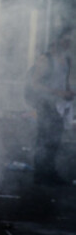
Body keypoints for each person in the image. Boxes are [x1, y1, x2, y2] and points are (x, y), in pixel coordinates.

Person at [28, 28, 74, 185]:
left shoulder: (67, 59)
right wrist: (58, 92)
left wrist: (68, 92)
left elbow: (64, 81)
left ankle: (49, 172)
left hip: (59, 105)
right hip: (45, 103)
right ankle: (40, 175)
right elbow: (35, 84)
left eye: (71, 40)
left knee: (55, 139)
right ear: (58, 40)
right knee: (45, 139)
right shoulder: (46, 59)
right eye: (66, 40)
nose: (69, 43)